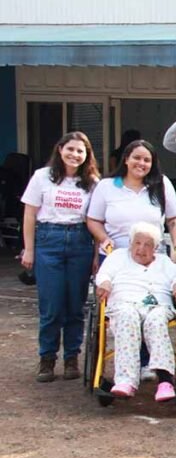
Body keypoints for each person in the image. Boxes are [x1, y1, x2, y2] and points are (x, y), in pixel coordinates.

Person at [21, 131, 100, 382]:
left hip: (80, 241)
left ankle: (71, 358)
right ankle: (47, 358)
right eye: (70, 149)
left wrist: (96, 256)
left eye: (80, 151)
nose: (74, 155)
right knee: (52, 305)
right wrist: (29, 249)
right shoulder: (42, 177)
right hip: (49, 240)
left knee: (75, 306)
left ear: (87, 156)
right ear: (60, 149)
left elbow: (96, 221)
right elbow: (30, 215)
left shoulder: (93, 182)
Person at [94, 222, 176, 401]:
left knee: (157, 320)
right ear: (131, 243)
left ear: (156, 248)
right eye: (137, 243)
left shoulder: (164, 261)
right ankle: (125, 381)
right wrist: (105, 283)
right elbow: (104, 275)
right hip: (124, 303)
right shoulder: (118, 257)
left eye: (147, 245)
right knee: (127, 316)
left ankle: (165, 381)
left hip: (157, 305)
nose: (141, 249)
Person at [87, 139, 176, 259]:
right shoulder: (106, 185)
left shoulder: (161, 183)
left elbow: (174, 218)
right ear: (126, 159)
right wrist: (104, 238)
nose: (141, 163)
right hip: (114, 256)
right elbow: (94, 220)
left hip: (154, 257)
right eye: (137, 158)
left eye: (147, 160)